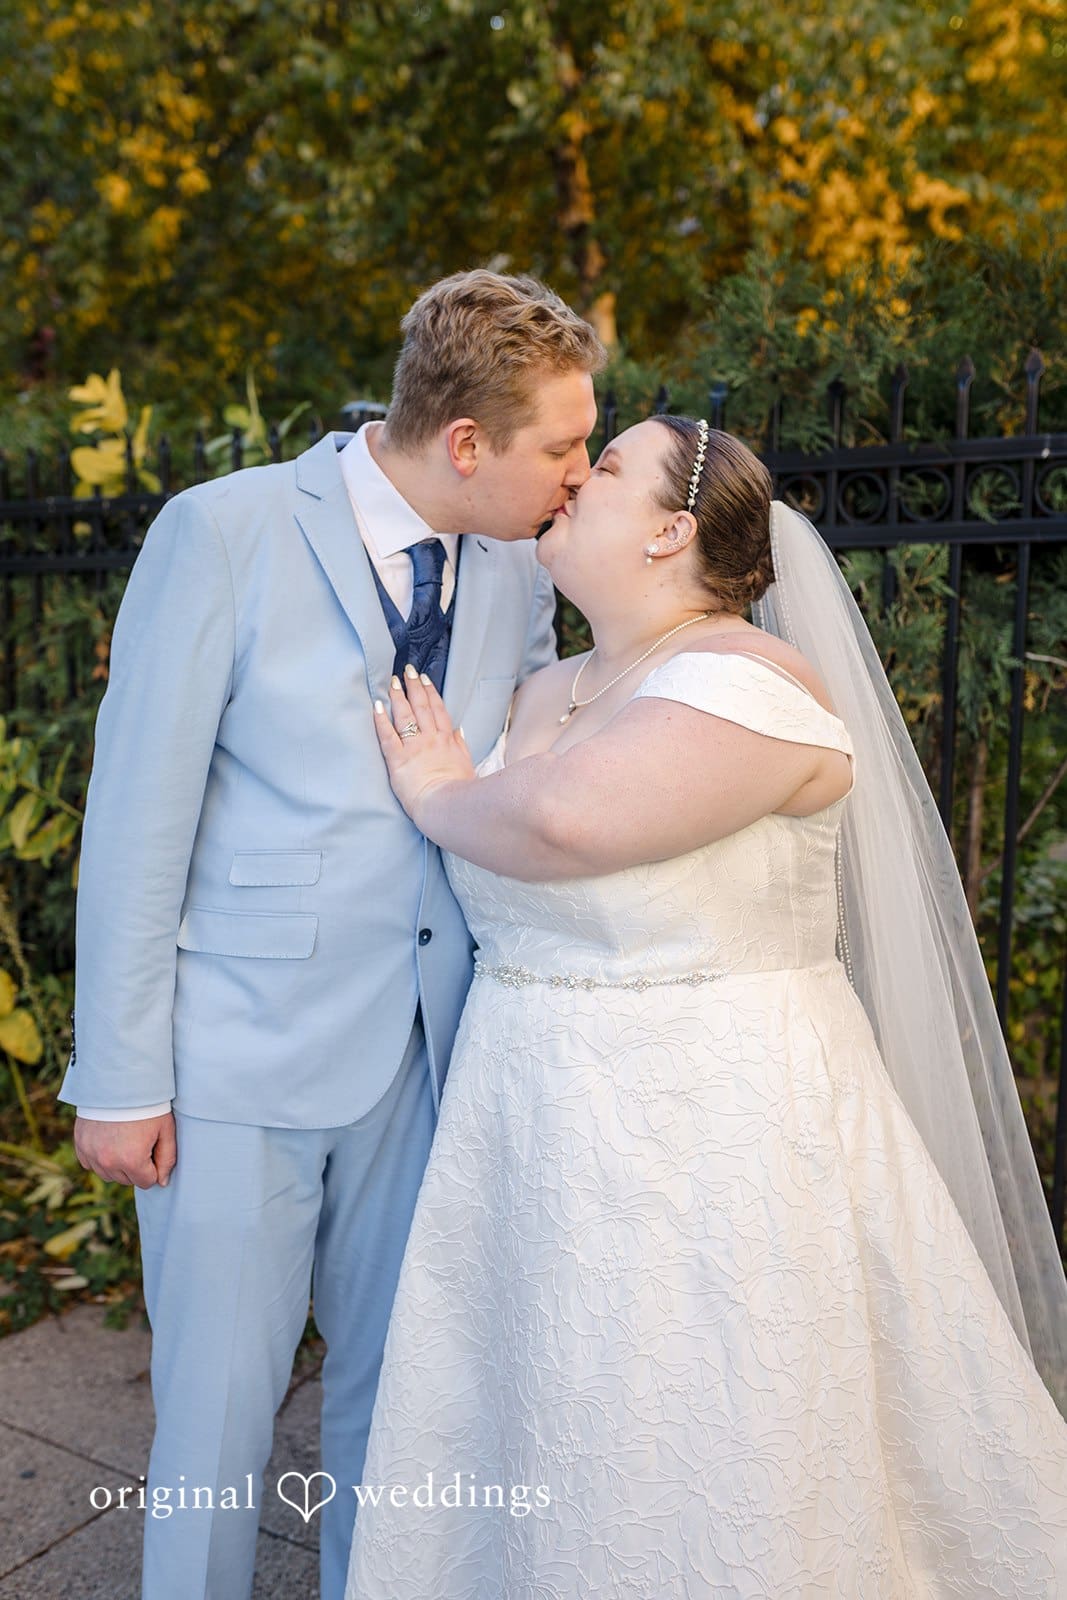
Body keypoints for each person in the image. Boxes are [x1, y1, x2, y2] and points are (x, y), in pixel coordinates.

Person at [347, 416, 1067, 1597]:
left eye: (608, 467)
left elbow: (561, 825)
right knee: (540, 1412)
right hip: (526, 1129)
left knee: (697, 1428)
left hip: (708, 1137)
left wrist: (437, 791)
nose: (573, 478)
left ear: (672, 530)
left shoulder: (746, 683)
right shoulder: (544, 689)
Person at [59, 269, 604, 1600]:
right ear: (464, 442)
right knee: (215, 1427)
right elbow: (136, 818)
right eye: (560, 447)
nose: (581, 477)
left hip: (429, 1058)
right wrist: (120, 1075)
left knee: (401, 1413)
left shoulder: (517, 561)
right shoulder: (224, 531)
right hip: (236, 1060)